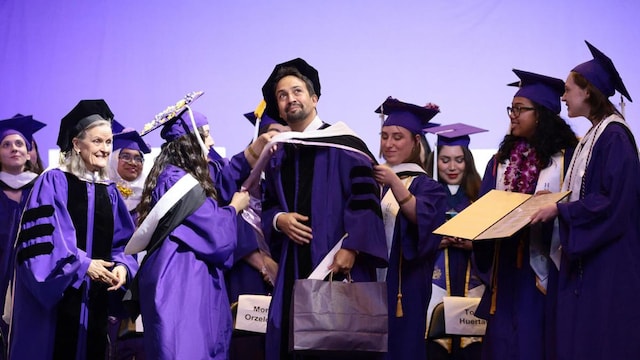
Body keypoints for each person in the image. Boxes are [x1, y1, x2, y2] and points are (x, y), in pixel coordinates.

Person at [260, 58, 388, 360]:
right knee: (291, 343)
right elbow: (268, 205)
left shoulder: (345, 144)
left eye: (297, 91)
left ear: (314, 98)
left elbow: (366, 195)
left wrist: (353, 248)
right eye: (282, 95)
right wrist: (279, 220)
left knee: (340, 344)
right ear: (278, 109)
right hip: (293, 268)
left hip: (337, 261)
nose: (291, 99)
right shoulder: (278, 154)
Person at [531, 41, 640, 360]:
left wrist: (560, 210)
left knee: (601, 339)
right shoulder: (593, 136)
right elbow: (590, 192)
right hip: (592, 256)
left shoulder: (615, 137)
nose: (563, 96)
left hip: (609, 261)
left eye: (567, 89)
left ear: (588, 92)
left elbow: (612, 202)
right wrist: (555, 199)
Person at [8, 100, 139, 360]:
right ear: (77, 144)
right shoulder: (54, 180)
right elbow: (44, 242)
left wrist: (123, 266)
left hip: (93, 304)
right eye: (97, 141)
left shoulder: (109, 191)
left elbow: (124, 242)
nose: (104, 149)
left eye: (108, 142)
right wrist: (82, 265)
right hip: (56, 305)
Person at [130, 96, 250, 360]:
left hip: (185, 277)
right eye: (205, 135)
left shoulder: (170, 176)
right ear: (189, 141)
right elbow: (217, 235)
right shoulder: (178, 182)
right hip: (181, 282)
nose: (212, 142)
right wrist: (235, 207)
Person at [473, 69, 578, 360]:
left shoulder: (568, 159)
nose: (513, 115)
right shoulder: (499, 162)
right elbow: (484, 206)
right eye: (512, 109)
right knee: (503, 342)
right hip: (505, 267)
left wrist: (554, 207)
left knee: (537, 341)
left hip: (545, 268)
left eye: (521, 109)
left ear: (542, 114)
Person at [372, 97, 447, 360]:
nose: (389, 144)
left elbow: (423, 218)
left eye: (397, 137)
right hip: (371, 284)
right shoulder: (375, 182)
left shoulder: (428, 186)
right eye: (384, 136)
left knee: (402, 347)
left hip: (406, 284)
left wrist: (394, 181)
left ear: (416, 141)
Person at [423, 123, 486, 360]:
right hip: (435, 282)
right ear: (435, 161)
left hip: (472, 279)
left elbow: (494, 243)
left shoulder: (481, 196)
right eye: (445, 160)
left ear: (468, 162)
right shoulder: (426, 195)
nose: (452, 167)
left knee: (470, 347)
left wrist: (474, 243)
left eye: (459, 160)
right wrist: (436, 242)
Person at [0, 114, 45, 359]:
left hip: (30, 278)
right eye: (6, 144)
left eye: (19, 144)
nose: (13, 149)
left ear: (29, 153)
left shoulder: (43, 189)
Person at [106, 128, 151, 360]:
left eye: (138, 158)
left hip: (143, 284)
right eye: (125, 156)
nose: (133, 162)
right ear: (114, 159)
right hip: (109, 282)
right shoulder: (102, 194)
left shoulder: (151, 199)